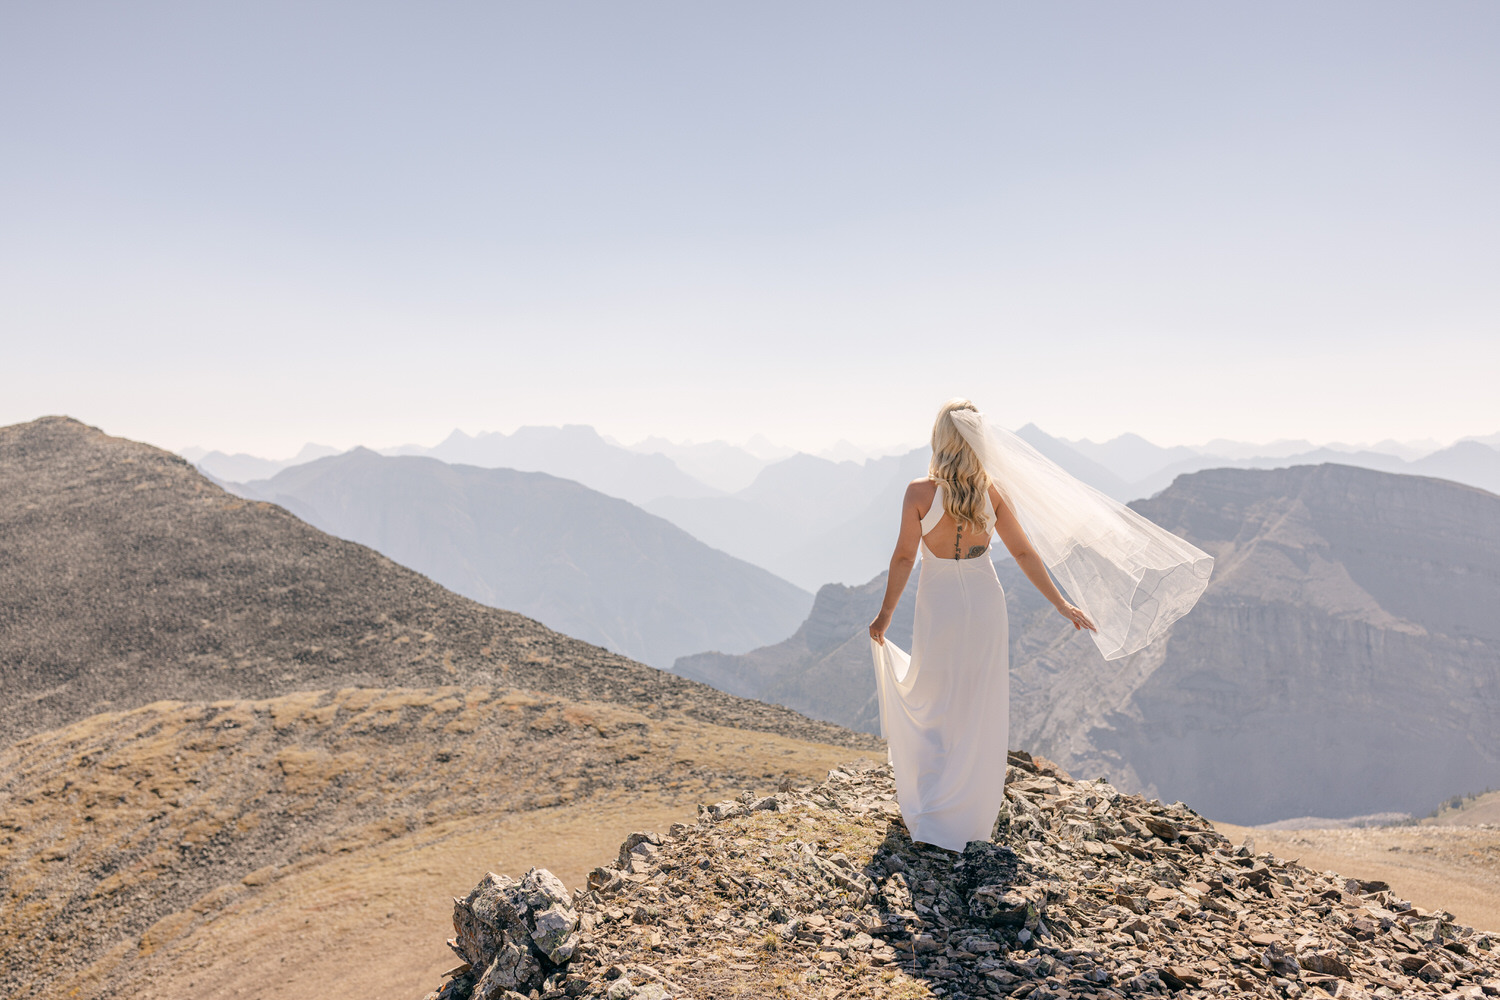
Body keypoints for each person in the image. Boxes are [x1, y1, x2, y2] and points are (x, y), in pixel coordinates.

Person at [868, 398, 1211, 851]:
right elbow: (1026, 553)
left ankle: (933, 802)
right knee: (979, 702)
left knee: (936, 695)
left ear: (941, 440)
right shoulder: (992, 493)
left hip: (940, 605)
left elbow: (905, 557)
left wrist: (884, 615)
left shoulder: (918, 492)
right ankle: (969, 815)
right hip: (988, 604)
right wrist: (1061, 604)